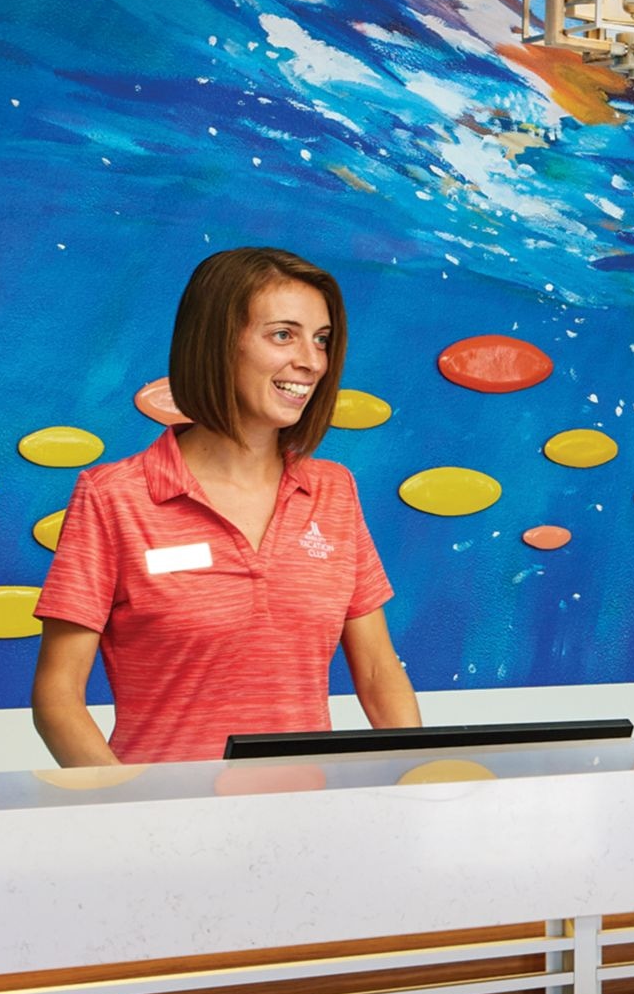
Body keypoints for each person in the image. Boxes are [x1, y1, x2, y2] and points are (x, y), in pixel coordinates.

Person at [31, 247, 421, 765]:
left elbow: (377, 671)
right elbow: (57, 699)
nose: (311, 361)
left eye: (321, 339)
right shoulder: (113, 496)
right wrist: (129, 811)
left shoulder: (334, 491)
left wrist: (420, 778)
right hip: (166, 825)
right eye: (283, 334)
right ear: (217, 341)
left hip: (306, 819)